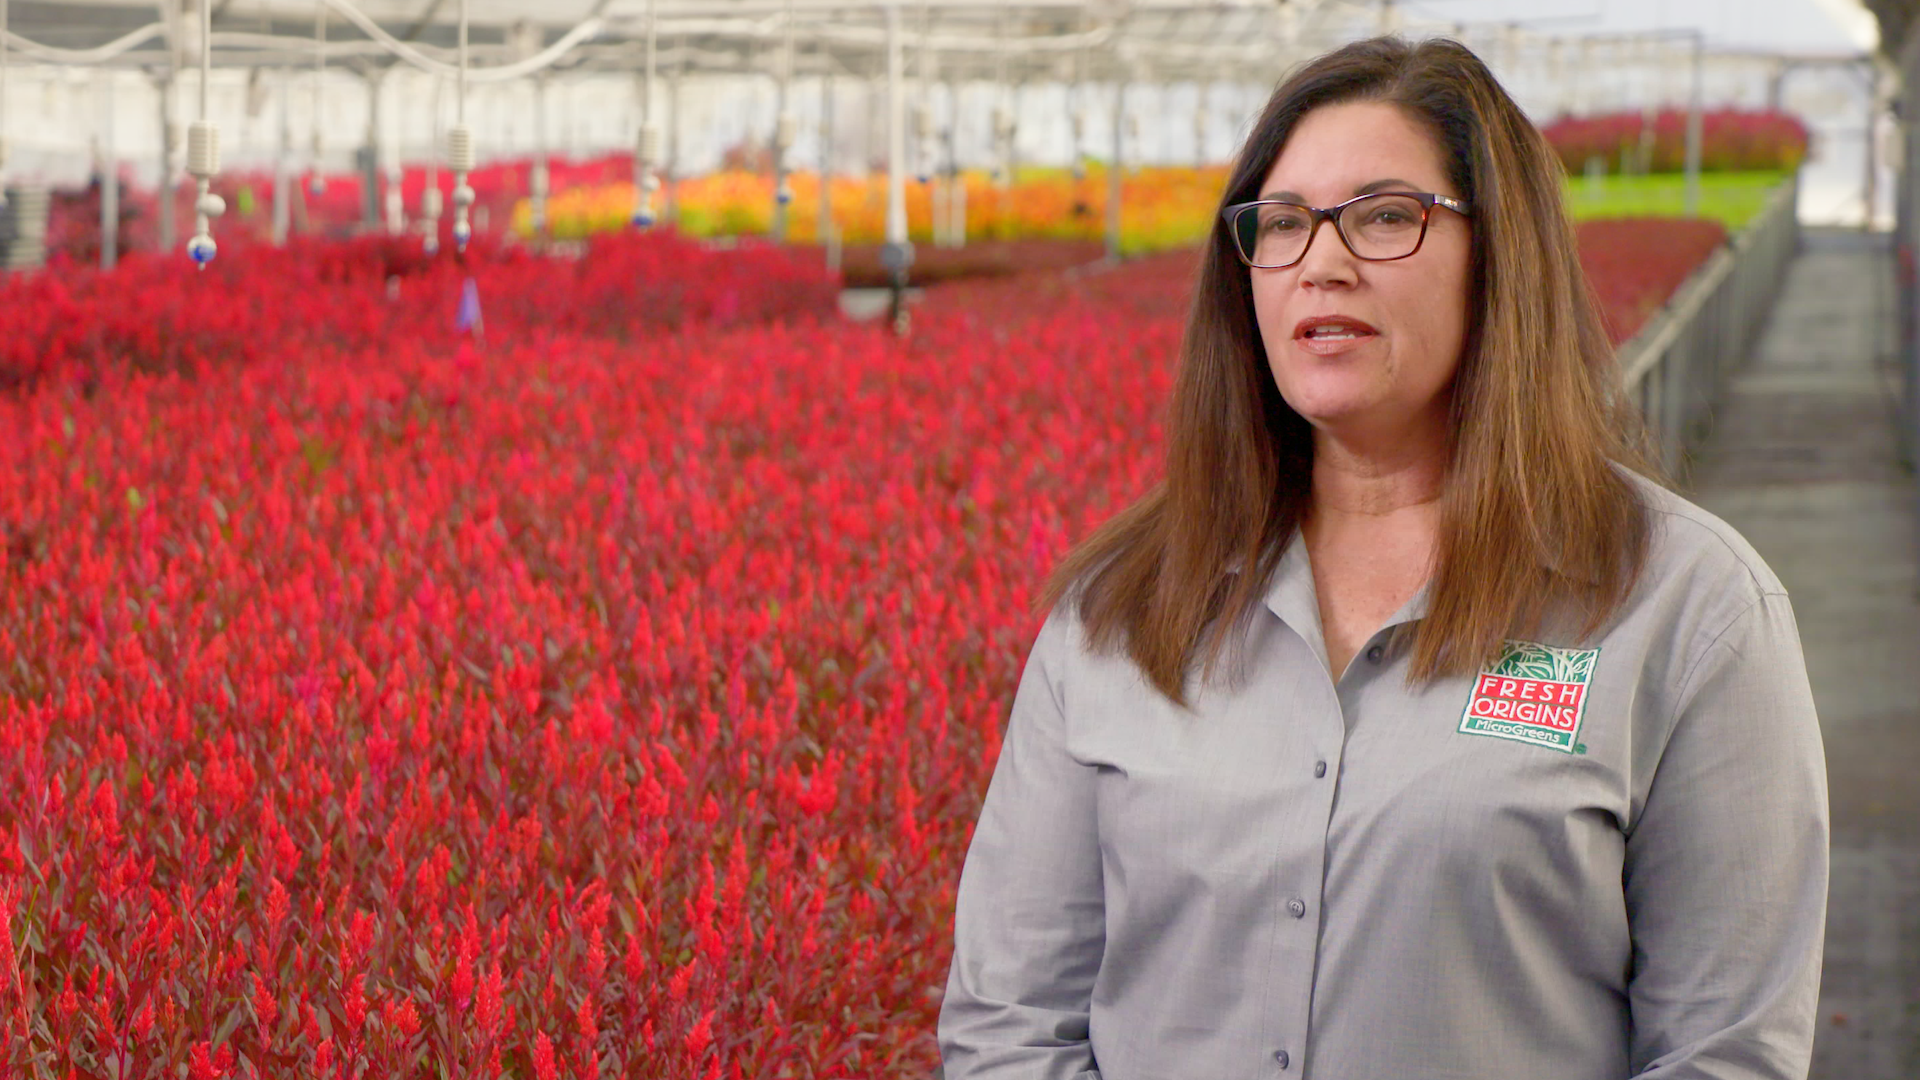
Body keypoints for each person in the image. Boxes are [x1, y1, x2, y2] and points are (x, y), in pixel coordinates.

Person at [937, 36, 1828, 1080]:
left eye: (1385, 216)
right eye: (1281, 224)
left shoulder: (1681, 608)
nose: (1321, 259)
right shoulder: (1119, 611)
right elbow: (1011, 1024)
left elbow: (1725, 1053)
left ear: (1502, 258)